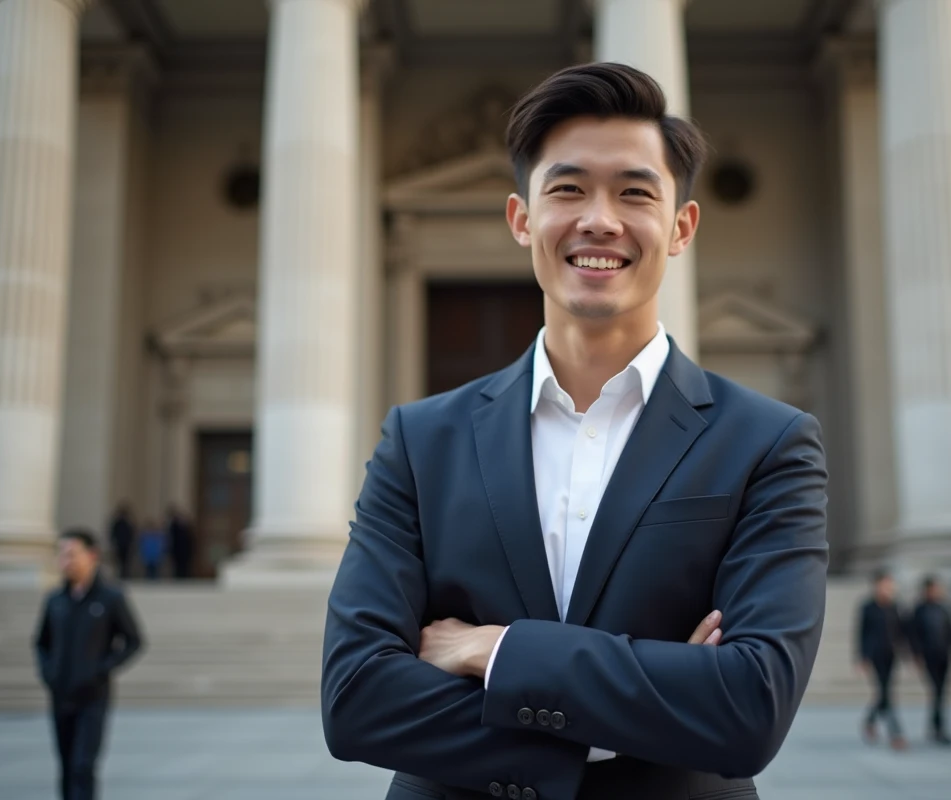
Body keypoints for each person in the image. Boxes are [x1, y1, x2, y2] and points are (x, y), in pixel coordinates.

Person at [322, 62, 829, 800]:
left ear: (681, 226)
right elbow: (356, 698)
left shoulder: (769, 442)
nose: (600, 219)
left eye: (634, 192)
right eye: (567, 189)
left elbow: (748, 709)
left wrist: (495, 650)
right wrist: (635, 714)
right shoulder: (420, 440)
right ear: (521, 218)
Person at [34, 529, 145, 800]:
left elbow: (134, 641)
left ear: (91, 556)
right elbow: (41, 642)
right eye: (61, 555)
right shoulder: (55, 600)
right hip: (60, 694)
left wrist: (102, 669)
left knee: (84, 765)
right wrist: (49, 673)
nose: (65, 561)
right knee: (66, 766)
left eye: (71, 554)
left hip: (93, 696)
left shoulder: (110, 598)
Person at [855, 569, 908, 751]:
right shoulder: (868, 607)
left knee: (884, 692)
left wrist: (907, 653)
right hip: (875, 655)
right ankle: (897, 734)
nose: (888, 588)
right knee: (886, 693)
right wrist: (862, 657)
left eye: (890, 585)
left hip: (891, 655)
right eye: (884, 584)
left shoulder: (895, 606)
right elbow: (861, 633)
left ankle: (869, 721)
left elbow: (901, 632)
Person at [909, 574, 951, 745]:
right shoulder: (919, 610)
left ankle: (937, 727)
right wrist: (917, 655)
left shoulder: (945, 608)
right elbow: (914, 635)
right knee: (937, 692)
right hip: (928, 656)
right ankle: (939, 729)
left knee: (941, 693)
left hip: (944, 655)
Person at [108, 503, 135, 581]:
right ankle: (123, 575)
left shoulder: (126, 523)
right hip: (121, 544)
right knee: (121, 561)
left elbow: (131, 534)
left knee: (125, 561)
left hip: (124, 545)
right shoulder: (119, 523)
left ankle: (124, 575)